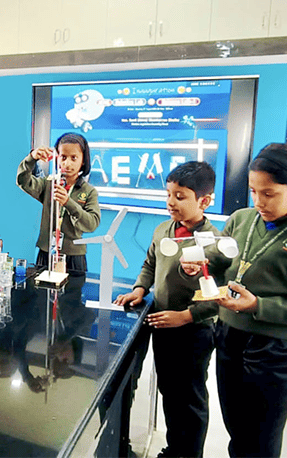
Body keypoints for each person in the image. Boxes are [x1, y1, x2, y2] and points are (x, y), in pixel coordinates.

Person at [189, 143, 287, 458]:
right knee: (237, 432)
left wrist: (258, 306)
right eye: (253, 191)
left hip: (278, 350)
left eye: (269, 194)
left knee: (261, 440)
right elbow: (219, 262)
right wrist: (199, 265)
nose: (258, 202)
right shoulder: (241, 220)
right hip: (229, 336)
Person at [114, 161, 219, 458]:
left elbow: (219, 296)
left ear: (204, 201)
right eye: (169, 194)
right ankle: (175, 450)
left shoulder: (214, 242)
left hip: (193, 331)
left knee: (189, 399)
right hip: (162, 325)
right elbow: (150, 264)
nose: (171, 202)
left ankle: (188, 454)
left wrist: (186, 316)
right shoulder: (163, 229)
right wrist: (139, 289)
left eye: (180, 196)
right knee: (170, 394)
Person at [16, 132, 101, 274]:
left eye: (74, 158)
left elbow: (92, 224)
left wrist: (68, 202)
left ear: (83, 160)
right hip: (46, 253)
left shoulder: (89, 191)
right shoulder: (49, 184)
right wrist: (32, 158)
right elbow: (23, 181)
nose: (67, 163)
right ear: (57, 158)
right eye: (63, 157)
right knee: (42, 287)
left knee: (72, 289)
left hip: (73, 257)